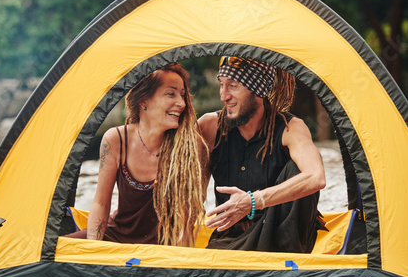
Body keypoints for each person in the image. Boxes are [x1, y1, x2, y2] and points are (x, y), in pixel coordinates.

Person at [65, 63, 209, 247]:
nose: (181, 103)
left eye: (182, 94)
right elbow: (101, 204)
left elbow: (187, 218)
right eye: (171, 94)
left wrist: (182, 266)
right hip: (115, 237)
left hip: (163, 246)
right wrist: (94, 250)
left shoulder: (189, 146)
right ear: (143, 101)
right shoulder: (116, 139)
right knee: (47, 257)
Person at [198, 56, 326, 253]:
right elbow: (190, 193)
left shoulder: (290, 128)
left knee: (297, 170)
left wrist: (253, 201)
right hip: (230, 241)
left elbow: (315, 177)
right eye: (221, 85)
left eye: (233, 86)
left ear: (258, 90)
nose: (224, 96)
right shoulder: (209, 126)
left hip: (282, 243)